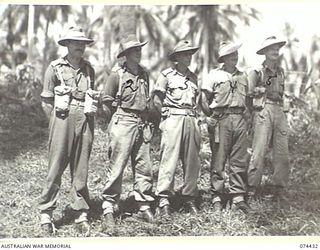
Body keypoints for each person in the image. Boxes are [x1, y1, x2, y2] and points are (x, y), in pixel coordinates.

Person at [38, 26, 98, 236]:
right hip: (62, 118)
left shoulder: (90, 69)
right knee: (56, 165)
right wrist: (55, 124)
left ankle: (80, 213)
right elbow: (46, 101)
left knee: (81, 167)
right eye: (75, 42)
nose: (80, 46)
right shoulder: (54, 68)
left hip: (85, 118)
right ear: (66, 45)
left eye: (82, 43)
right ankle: (46, 212)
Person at [100, 34, 155, 232]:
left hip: (141, 121)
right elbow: (106, 101)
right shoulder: (117, 75)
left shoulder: (144, 74)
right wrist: (115, 122)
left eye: (140, 49)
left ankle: (143, 205)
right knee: (117, 166)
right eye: (135, 50)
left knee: (143, 166)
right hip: (122, 120)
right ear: (126, 54)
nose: (139, 53)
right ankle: (108, 206)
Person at [201, 41, 251, 214]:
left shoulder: (243, 76)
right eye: (231, 55)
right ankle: (217, 196)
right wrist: (211, 118)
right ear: (224, 58)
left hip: (239, 118)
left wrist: (246, 118)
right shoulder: (214, 75)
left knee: (239, 160)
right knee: (219, 159)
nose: (235, 57)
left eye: (236, 54)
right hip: (221, 119)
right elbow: (203, 99)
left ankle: (238, 196)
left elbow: (249, 100)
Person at [153, 40, 201, 218]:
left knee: (192, 161)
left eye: (190, 54)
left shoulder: (194, 77)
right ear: (177, 57)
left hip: (190, 118)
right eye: (185, 54)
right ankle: (164, 199)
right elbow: (157, 100)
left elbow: (197, 101)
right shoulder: (166, 75)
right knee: (169, 159)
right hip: (173, 118)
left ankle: (189, 197)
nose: (189, 57)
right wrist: (166, 119)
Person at [247, 36, 290, 204]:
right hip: (263, 110)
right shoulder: (256, 71)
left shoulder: (280, 72)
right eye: (271, 48)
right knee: (258, 151)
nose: (275, 51)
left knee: (282, 152)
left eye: (277, 48)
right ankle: (252, 189)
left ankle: (279, 189)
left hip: (279, 110)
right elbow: (248, 94)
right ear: (264, 52)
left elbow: (283, 92)